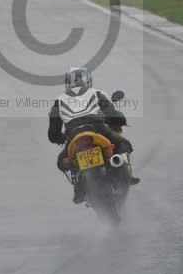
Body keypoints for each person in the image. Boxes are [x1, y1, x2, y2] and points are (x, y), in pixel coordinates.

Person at [48, 67, 140, 204]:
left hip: (73, 135)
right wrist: (119, 120)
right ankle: (126, 173)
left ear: (67, 83)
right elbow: (113, 116)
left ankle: (78, 186)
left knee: (62, 161)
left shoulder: (58, 101)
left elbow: (53, 134)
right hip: (97, 128)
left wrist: (62, 139)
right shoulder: (97, 93)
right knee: (123, 144)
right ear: (88, 81)